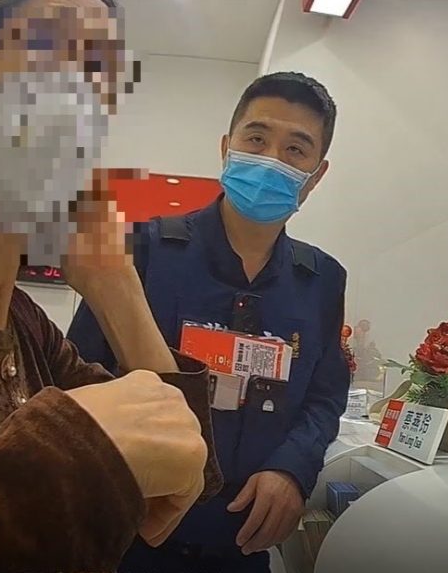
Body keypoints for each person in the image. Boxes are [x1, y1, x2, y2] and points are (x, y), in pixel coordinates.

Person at [0, 0, 221, 571]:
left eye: (96, 82)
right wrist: (72, 450)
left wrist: (115, 282)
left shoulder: (28, 326)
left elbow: (178, 483)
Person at [68, 71, 350, 572]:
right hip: (126, 538)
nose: (271, 160)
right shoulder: (141, 250)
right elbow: (78, 374)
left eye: (295, 149)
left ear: (316, 175)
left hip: (241, 543)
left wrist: (293, 469)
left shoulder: (322, 280)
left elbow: (325, 397)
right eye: (256, 139)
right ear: (227, 147)